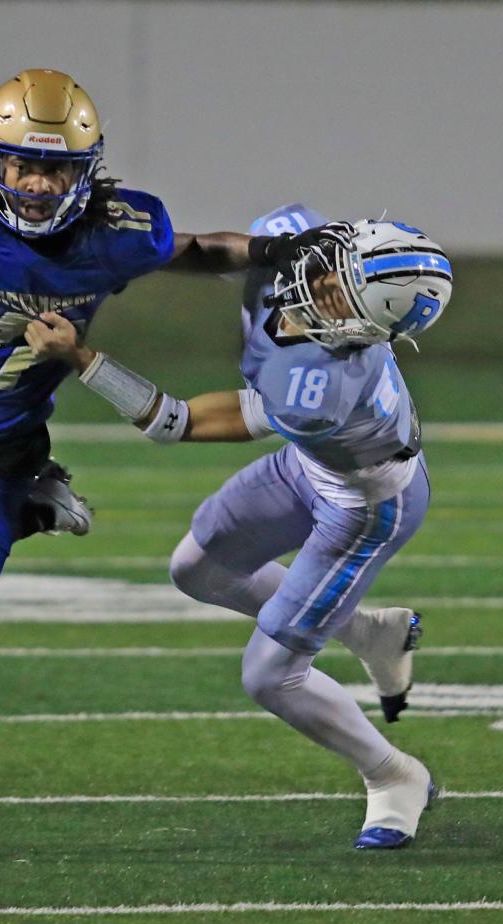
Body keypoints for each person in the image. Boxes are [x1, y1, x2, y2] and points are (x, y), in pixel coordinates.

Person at [0, 71, 351, 864]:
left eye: (58, 169)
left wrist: (274, 249)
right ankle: (33, 510)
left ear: (89, 171)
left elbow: (193, 250)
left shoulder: (117, 231)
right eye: (22, 165)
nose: (40, 184)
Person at [24, 210, 453, 849]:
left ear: (364, 327)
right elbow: (209, 250)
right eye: (341, 262)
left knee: (270, 674)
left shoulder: (321, 386)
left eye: (347, 290)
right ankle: (366, 631)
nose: (326, 280)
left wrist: (84, 361)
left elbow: (177, 422)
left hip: (363, 505)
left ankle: (394, 774)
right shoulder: (302, 243)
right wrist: (115, 253)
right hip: (308, 465)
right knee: (197, 568)